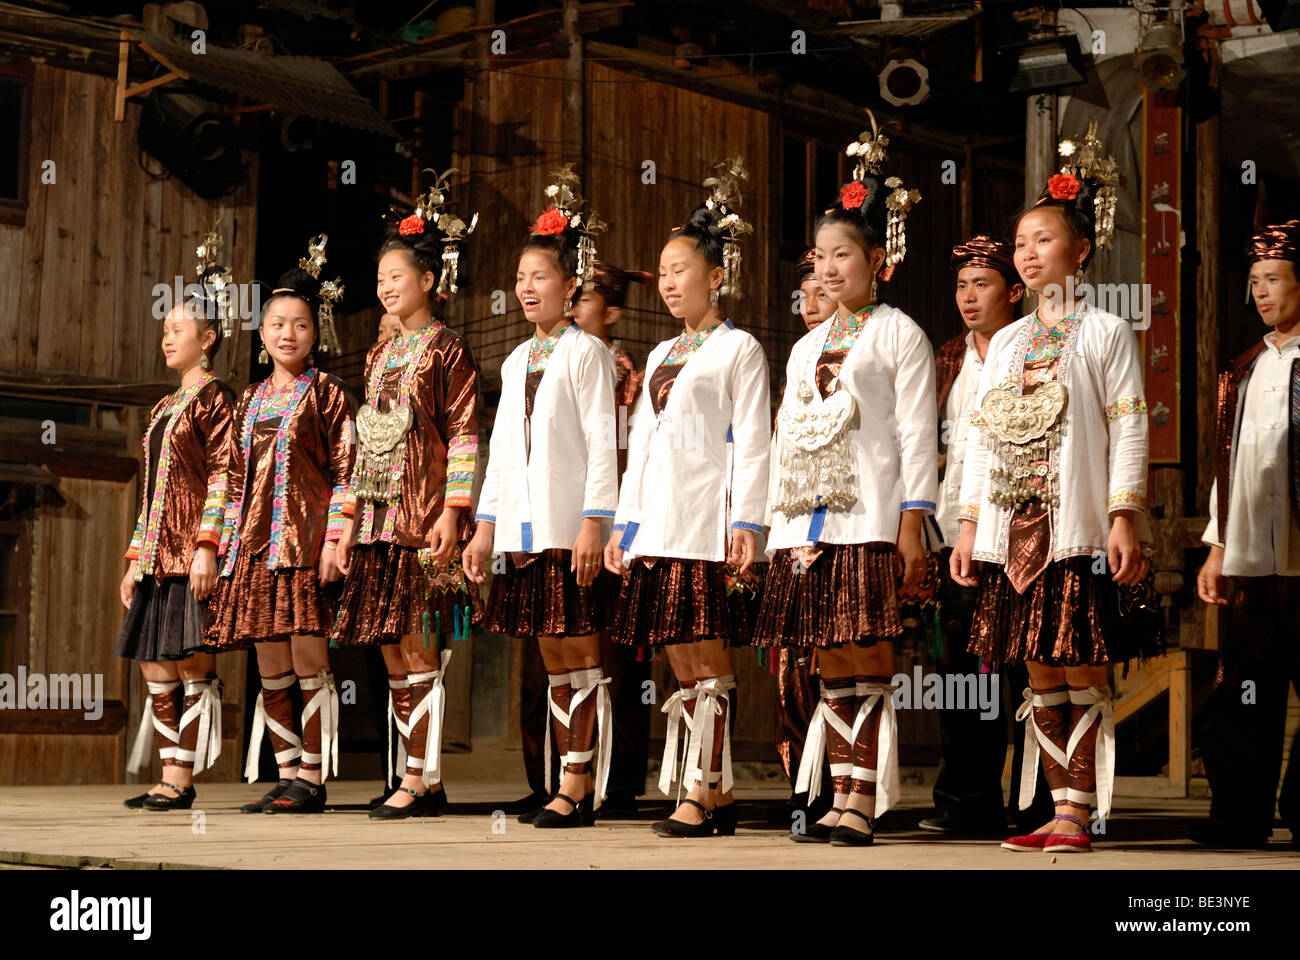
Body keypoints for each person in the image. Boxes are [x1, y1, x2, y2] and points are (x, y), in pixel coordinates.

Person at [951, 123, 1161, 853]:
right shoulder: (1005, 343)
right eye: (1020, 243)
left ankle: (1080, 810)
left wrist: (1123, 515)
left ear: (1079, 250)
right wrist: (972, 524)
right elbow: (980, 437)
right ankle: (1057, 806)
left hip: (1073, 525)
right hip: (1014, 527)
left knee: (1080, 658)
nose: (1029, 253)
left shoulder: (1105, 331)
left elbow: (1130, 426)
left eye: (1043, 239)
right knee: (1037, 669)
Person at [754, 123, 933, 847]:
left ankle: (866, 792)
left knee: (866, 649)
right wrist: (776, 530)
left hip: (868, 515)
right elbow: (784, 441)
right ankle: (839, 787)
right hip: (807, 524)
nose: (829, 269)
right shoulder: (803, 345)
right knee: (827, 655)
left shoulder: (899, 334)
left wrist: (913, 521)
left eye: (843, 256)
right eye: (820, 257)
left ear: (876, 261)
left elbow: (919, 432)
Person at [604, 156, 771, 838]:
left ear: (717, 276)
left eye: (682, 270)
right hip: (659, 522)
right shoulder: (664, 352)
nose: (670, 281)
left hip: (708, 520)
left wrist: (748, 521)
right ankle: (714, 791)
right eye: (664, 271)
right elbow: (642, 442)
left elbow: (754, 439)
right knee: (676, 654)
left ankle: (702, 791)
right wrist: (624, 525)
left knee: (707, 659)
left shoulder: (741, 349)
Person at [464, 170, 620, 828]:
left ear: (569, 287)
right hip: (524, 533)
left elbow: (602, 443)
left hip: (568, 526)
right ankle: (564, 778)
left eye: (541, 277)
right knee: (551, 655)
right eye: (522, 277)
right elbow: (501, 451)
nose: (529, 288)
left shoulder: (587, 354)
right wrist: (484, 527)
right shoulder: (513, 360)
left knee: (579, 650)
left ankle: (580, 784)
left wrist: (594, 522)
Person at [332, 170, 482, 820]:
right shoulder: (376, 357)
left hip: (422, 517)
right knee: (392, 645)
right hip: (376, 515)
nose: (387, 287)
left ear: (427, 280)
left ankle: (419, 778)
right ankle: (420, 775)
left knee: (420, 643)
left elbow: (467, 432)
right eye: (380, 278)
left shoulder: (447, 348)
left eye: (398, 276)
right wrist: (344, 524)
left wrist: (454, 511)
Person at [202, 236, 355, 814]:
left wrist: (337, 538)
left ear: (316, 334)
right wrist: (217, 546)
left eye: (300, 324)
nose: (288, 333)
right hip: (255, 551)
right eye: (277, 323)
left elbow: (348, 472)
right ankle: (286, 770)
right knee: (269, 663)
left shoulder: (330, 394)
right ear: (261, 335)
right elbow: (234, 479)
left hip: (304, 547)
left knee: (310, 660)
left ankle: (313, 780)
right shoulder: (250, 399)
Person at [920, 234, 1050, 836]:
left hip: (1024, 529)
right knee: (961, 671)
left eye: (983, 284)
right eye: (962, 285)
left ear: (1015, 291)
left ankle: (1033, 803)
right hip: (958, 535)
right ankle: (964, 800)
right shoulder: (945, 358)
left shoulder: (1036, 349)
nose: (968, 297)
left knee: (1026, 668)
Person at [117, 224, 236, 811]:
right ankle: (166, 774)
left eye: (179, 331)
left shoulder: (217, 398)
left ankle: (184, 778)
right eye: (164, 331)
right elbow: (152, 490)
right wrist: (135, 558)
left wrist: (208, 547)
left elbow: (224, 475)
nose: (168, 339)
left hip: (192, 551)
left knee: (192, 663)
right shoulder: (165, 406)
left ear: (207, 338)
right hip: (157, 552)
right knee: (153, 664)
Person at [1194, 219, 1300, 849]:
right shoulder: (1246, 367)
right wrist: (1217, 546)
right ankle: (1241, 817)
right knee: (1245, 692)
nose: (1261, 293)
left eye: (1275, 279)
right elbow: (1225, 466)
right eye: (1255, 282)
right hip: (1253, 561)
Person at [572, 259, 654, 817]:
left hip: (615, 523)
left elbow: (628, 454)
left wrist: (618, 522)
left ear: (613, 311)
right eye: (573, 297)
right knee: (569, 654)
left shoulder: (629, 370)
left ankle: (621, 781)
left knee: (623, 662)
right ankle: (567, 774)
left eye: (585, 300)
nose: (575, 308)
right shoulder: (556, 361)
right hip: (567, 522)